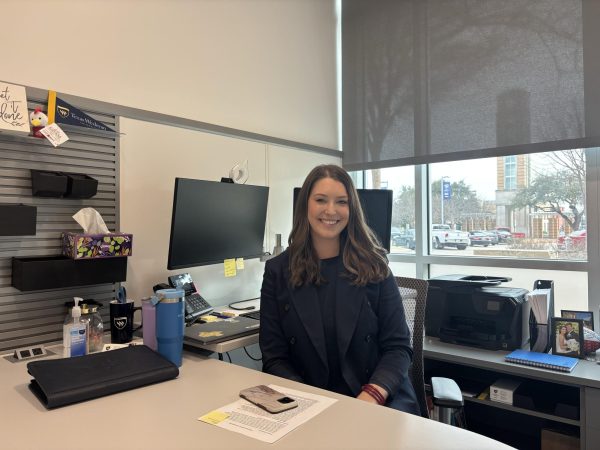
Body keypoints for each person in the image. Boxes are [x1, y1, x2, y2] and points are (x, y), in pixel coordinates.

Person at [259, 164, 420, 415]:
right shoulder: (278, 271)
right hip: (310, 404)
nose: (331, 210)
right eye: (321, 200)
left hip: (377, 401)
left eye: (341, 202)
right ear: (306, 206)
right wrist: (307, 403)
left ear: (351, 209)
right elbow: (274, 357)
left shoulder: (375, 267)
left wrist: (371, 396)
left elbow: (398, 348)